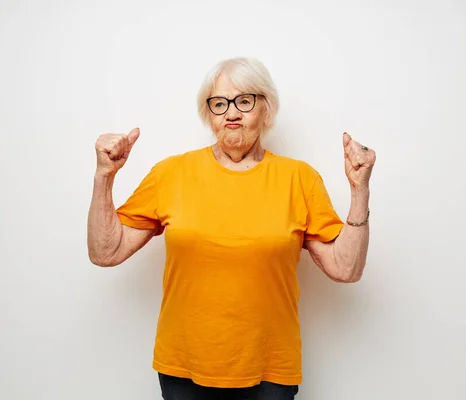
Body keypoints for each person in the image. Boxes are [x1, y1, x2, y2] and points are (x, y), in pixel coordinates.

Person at [87, 57, 376, 400]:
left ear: (265, 109)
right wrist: (104, 177)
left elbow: (346, 268)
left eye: (244, 101)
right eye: (220, 103)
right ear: (209, 114)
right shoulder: (172, 173)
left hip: (271, 370)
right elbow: (106, 252)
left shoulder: (299, 178)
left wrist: (359, 190)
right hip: (184, 368)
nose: (232, 113)